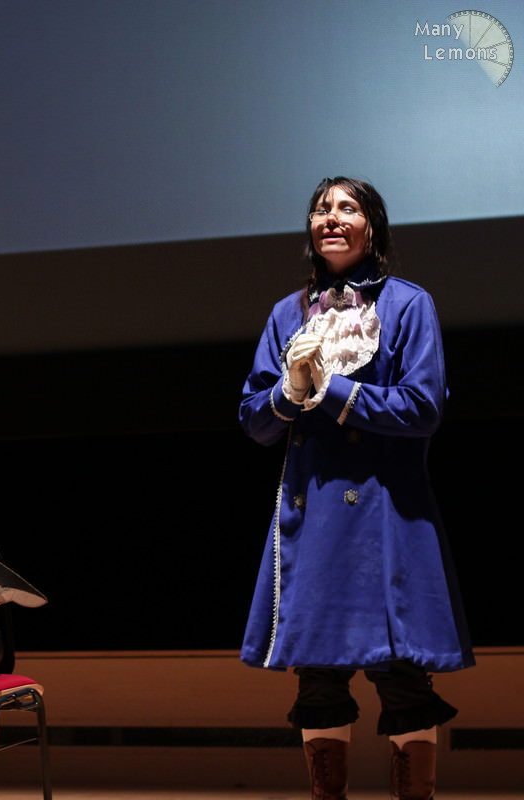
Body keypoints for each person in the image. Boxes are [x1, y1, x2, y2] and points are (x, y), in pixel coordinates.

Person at [238, 178, 473, 800]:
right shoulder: (287, 314)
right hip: (313, 514)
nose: (331, 218)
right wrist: (289, 391)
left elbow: (423, 407)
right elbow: (256, 422)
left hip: (386, 510)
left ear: (373, 226)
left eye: (347, 208)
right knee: (316, 675)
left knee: (402, 674)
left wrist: (332, 390)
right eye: (322, 209)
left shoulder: (408, 304)